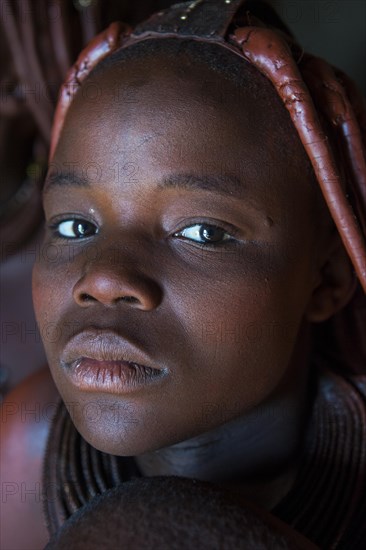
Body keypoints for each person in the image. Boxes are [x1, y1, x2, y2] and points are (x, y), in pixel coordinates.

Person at [1, 0, 366, 548]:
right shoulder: (28, 444)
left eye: (203, 233)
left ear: (328, 278)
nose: (103, 278)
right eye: (75, 225)